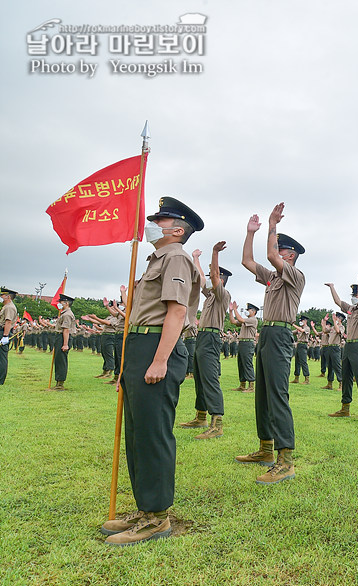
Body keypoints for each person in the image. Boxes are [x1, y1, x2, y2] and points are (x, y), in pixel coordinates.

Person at [99, 196, 202, 545]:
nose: (151, 223)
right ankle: (146, 508)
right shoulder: (156, 258)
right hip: (141, 346)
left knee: (153, 433)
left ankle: (157, 517)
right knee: (137, 433)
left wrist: (159, 360)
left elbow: (175, 312)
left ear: (176, 230)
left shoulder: (175, 257)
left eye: (160, 220)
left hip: (160, 347)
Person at [235, 204, 305, 485]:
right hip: (266, 335)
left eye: (282, 250)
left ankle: (285, 461)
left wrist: (272, 224)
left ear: (291, 256)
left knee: (277, 395)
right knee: (262, 394)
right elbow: (247, 261)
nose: (278, 252)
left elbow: (268, 255)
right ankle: (265, 450)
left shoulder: (294, 276)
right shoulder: (273, 278)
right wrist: (250, 232)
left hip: (280, 336)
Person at [181, 242, 231, 439]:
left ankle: (216, 423)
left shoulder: (222, 295)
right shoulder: (210, 296)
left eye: (215, 277)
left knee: (210, 379)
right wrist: (196, 259)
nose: (210, 280)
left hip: (211, 337)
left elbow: (214, 276)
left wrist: (214, 253)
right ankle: (201, 416)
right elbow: (202, 280)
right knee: (200, 378)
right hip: (202, 336)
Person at [325, 274, 358, 424]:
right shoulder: (351, 309)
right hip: (348, 346)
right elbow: (337, 301)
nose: (353, 297)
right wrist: (332, 287)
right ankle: (345, 408)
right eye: (352, 294)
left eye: (355, 294)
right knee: (346, 377)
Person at [229, 302, 259, 392]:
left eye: (249, 310)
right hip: (242, 343)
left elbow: (239, 319)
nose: (247, 311)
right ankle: (242, 384)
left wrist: (235, 309)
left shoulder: (253, 320)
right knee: (241, 364)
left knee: (247, 364)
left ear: (253, 311)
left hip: (248, 343)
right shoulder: (246, 320)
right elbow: (233, 321)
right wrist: (231, 311)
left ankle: (251, 386)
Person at [51, 294, 77, 391]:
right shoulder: (64, 313)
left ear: (66, 303)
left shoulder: (67, 314)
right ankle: (58, 381)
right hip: (60, 337)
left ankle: (60, 383)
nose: (59, 304)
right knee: (58, 359)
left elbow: (66, 330)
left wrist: (65, 344)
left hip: (63, 338)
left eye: (60, 302)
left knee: (61, 360)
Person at [0, 288, 19, 385]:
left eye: (2, 295)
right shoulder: (6, 306)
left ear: (8, 296)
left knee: (2, 356)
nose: (1, 297)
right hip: (3, 331)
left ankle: (0, 380)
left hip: (3, 332)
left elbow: (8, 322)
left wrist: (5, 336)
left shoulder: (9, 307)